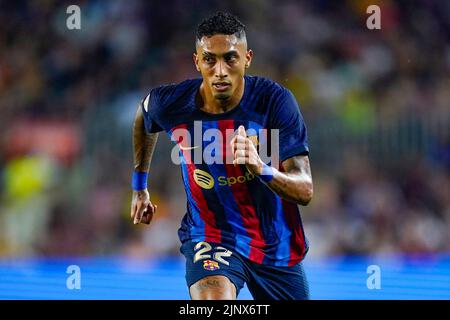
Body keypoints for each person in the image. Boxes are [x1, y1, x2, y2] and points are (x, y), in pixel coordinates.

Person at [130, 12, 313, 300]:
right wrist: (139, 187)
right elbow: (144, 116)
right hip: (211, 235)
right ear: (197, 62)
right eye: (209, 59)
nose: (220, 71)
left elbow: (304, 189)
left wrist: (260, 167)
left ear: (247, 58)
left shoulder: (275, 103)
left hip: (274, 243)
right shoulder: (174, 103)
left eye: (230, 58)